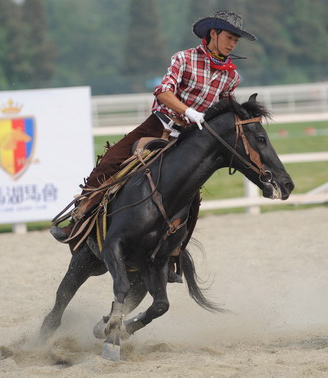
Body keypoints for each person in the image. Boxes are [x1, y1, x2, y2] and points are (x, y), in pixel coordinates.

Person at [50, 10, 257, 279]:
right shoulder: (183, 59)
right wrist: (189, 111)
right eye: (229, 37)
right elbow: (163, 91)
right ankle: (80, 217)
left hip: (190, 140)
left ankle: (174, 252)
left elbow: (224, 110)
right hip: (158, 125)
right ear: (213, 34)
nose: (232, 44)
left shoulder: (232, 77)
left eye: (236, 40)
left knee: (191, 196)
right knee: (111, 161)